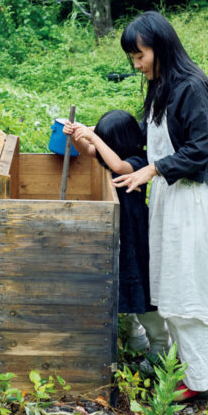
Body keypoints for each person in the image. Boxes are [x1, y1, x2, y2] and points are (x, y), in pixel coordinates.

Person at [112, 11, 208, 402]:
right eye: (133, 58)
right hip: (173, 202)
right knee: (175, 287)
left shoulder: (192, 87)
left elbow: (201, 148)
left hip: (196, 201)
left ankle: (202, 380)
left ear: (161, 46)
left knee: (194, 289)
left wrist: (153, 170)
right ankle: (185, 365)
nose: (137, 65)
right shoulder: (161, 88)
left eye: (140, 55)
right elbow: (152, 140)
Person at [63, 110, 169, 359]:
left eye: (105, 140)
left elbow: (118, 167)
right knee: (125, 286)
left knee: (141, 287)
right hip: (121, 233)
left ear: (120, 141)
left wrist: (93, 137)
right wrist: (77, 136)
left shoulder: (139, 160)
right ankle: (136, 339)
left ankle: (160, 347)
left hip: (136, 235)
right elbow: (89, 151)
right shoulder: (108, 152)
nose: (99, 145)